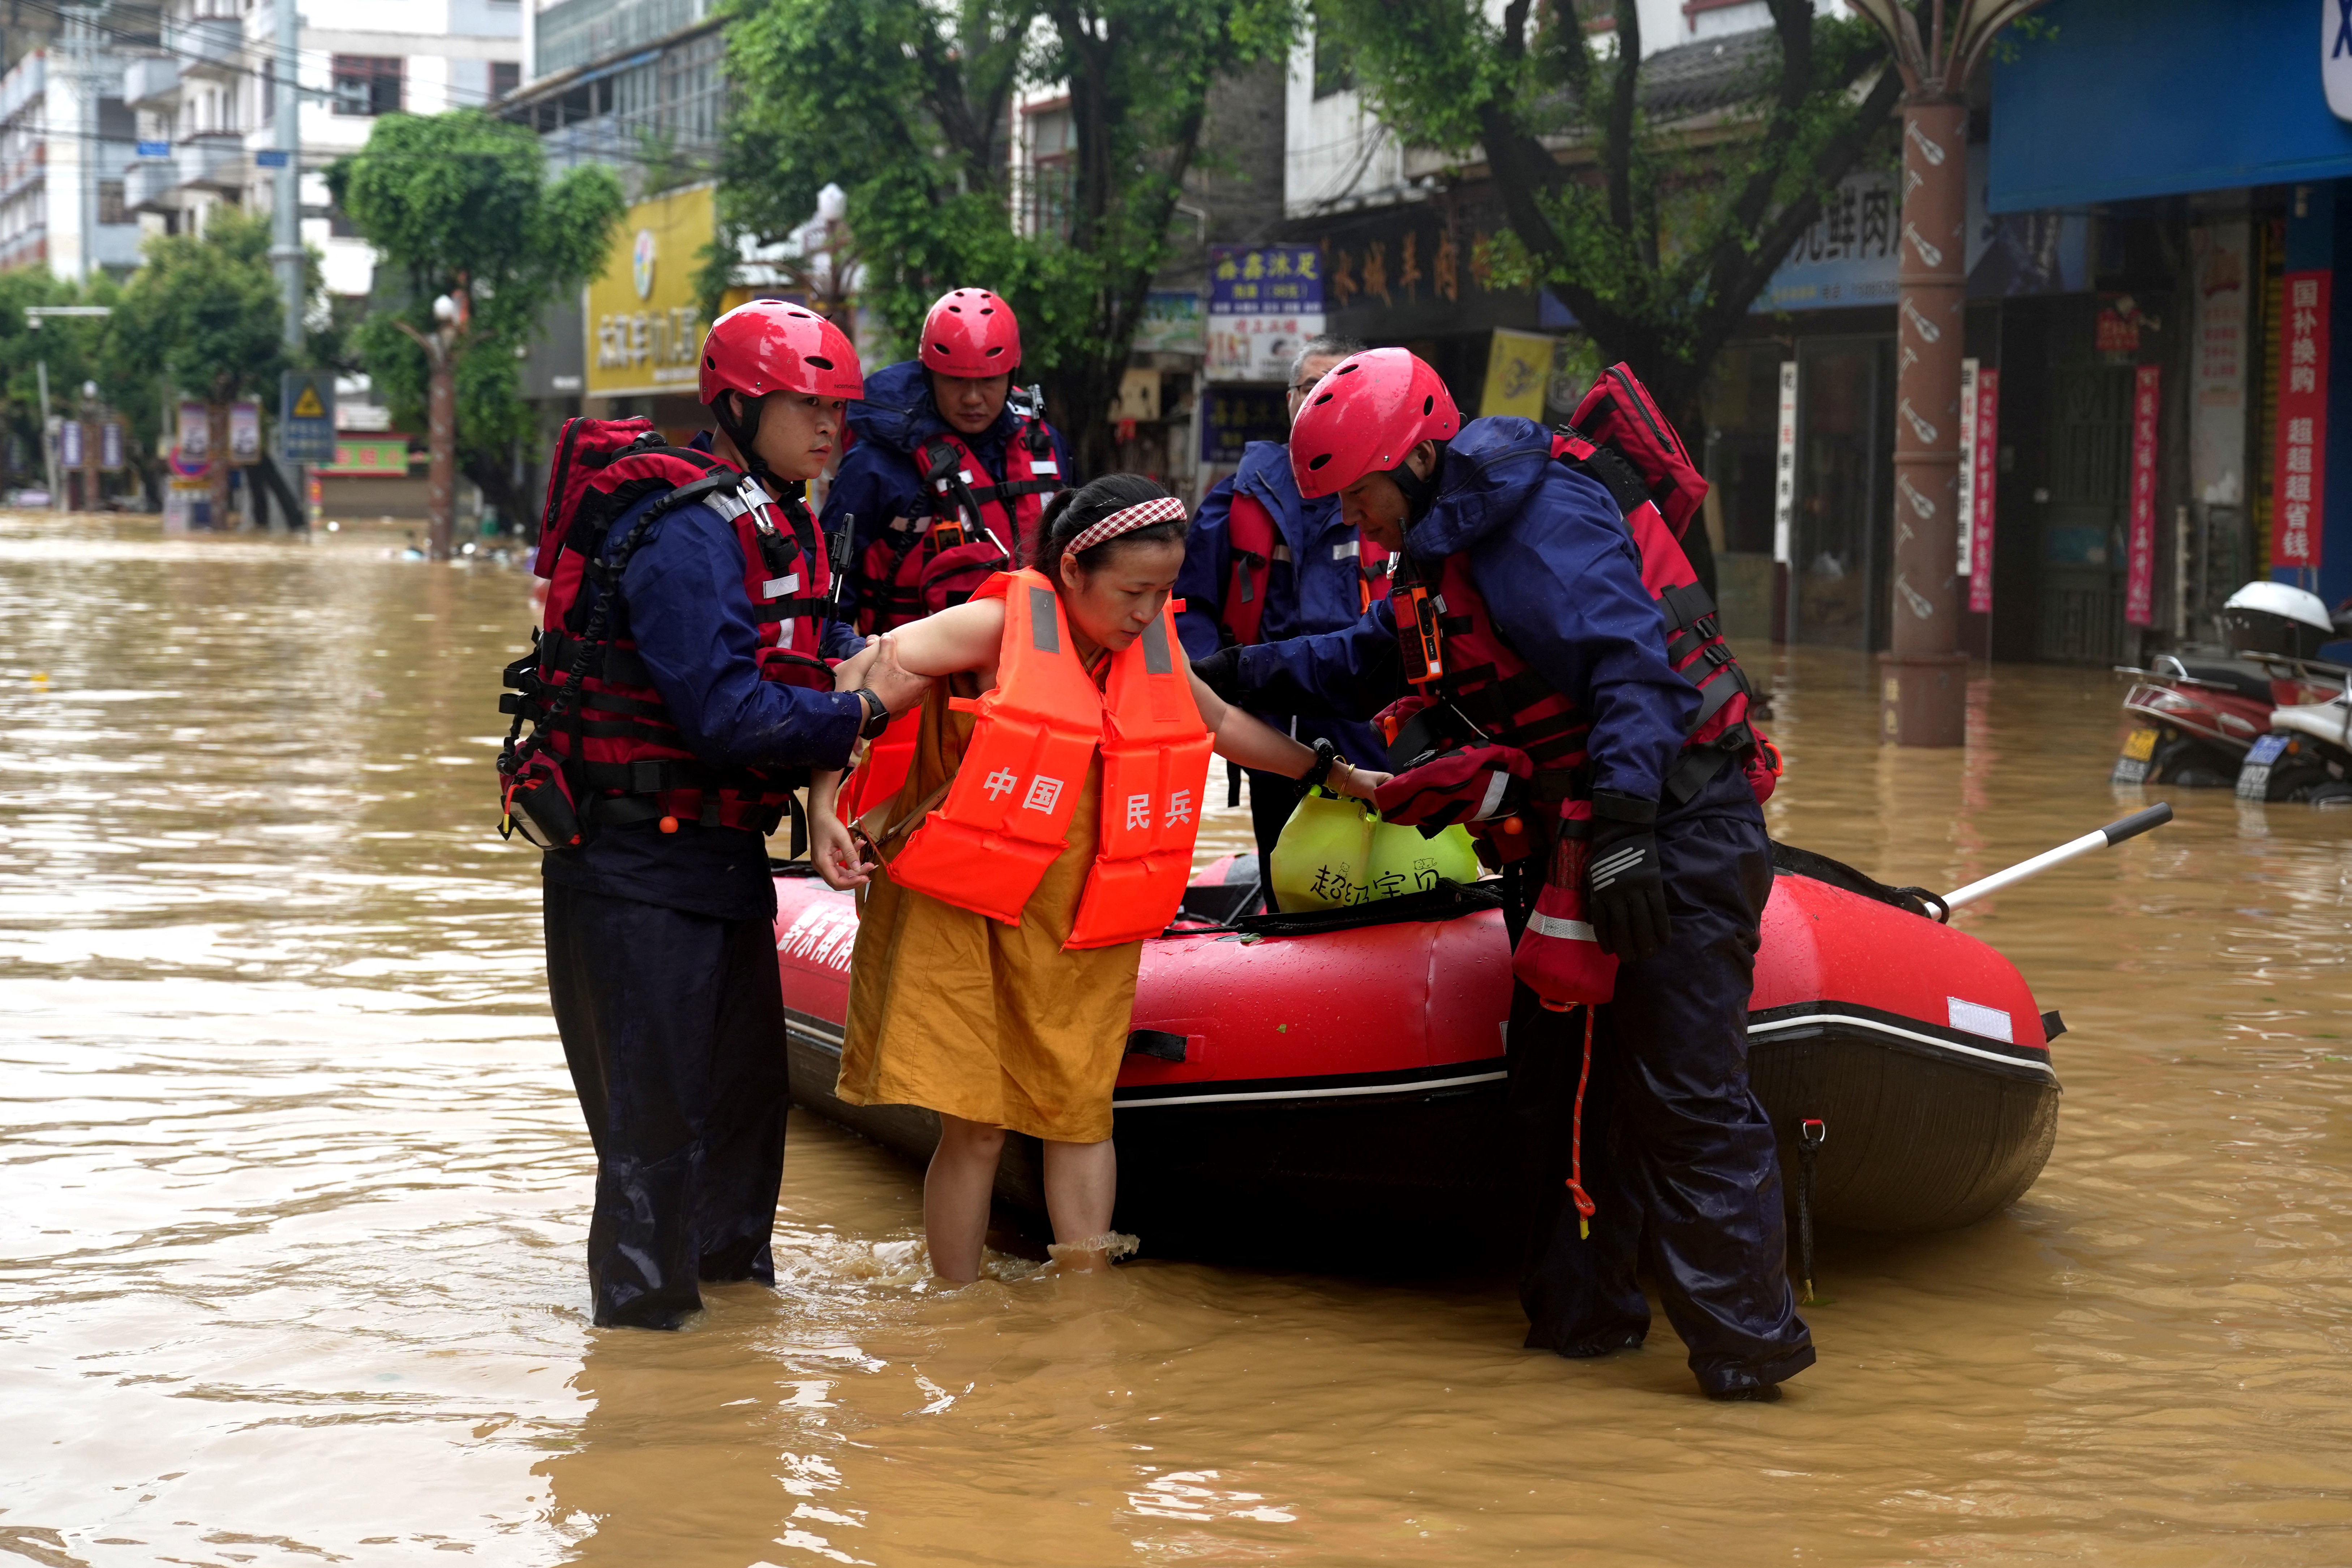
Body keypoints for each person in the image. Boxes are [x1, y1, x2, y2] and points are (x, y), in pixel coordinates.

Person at [1194, 348, 1811, 1400]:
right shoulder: (1438, 548)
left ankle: (1751, 1365)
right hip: (1576, 839)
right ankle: (1584, 1330)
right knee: (1560, 1098)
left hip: (1670, 830)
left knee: (1684, 1096)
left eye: (1360, 494)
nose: (1356, 520)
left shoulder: (1541, 522)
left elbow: (1635, 673)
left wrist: (1623, 832)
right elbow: (1377, 658)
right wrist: (1232, 671)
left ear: (1418, 457)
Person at [804, 474, 1389, 1283]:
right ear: (1072, 570)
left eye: (1164, 591)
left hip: (1076, 920)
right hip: (961, 909)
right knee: (974, 1127)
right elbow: (867, 673)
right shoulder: (995, 626)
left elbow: (1216, 723)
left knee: (1080, 1115)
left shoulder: (1147, 649)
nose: (1149, 613)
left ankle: (1085, 1310)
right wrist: (823, 807)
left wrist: (1336, 774)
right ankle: (955, 1314)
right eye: (1133, 591)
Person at [522, 301, 932, 1329]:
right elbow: (725, 712)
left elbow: (786, 684)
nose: (831, 427)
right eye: (807, 405)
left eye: (839, 407)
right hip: (629, 869)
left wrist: (829, 794)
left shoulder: (778, 517)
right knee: (654, 1135)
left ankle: (734, 1354)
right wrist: (862, 711)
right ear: (741, 406)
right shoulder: (688, 538)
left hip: (717, 862)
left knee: (744, 1123)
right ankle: (645, 1359)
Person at [1172, 333, 1390, 898]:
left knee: (1391, 880)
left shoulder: (1394, 494)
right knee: (1289, 884)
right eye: (1309, 386)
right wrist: (1206, 684)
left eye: (1339, 387)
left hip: (1375, 724)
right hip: (1273, 729)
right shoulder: (1240, 496)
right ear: (1288, 399)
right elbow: (1191, 602)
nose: (1321, 399)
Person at [824, 287, 1074, 633]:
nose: (972, 398)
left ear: (1011, 376)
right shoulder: (874, 465)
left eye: (988, 380)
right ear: (929, 376)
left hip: (1036, 666)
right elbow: (826, 601)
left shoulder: (1048, 446)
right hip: (915, 675)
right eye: (955, 379)